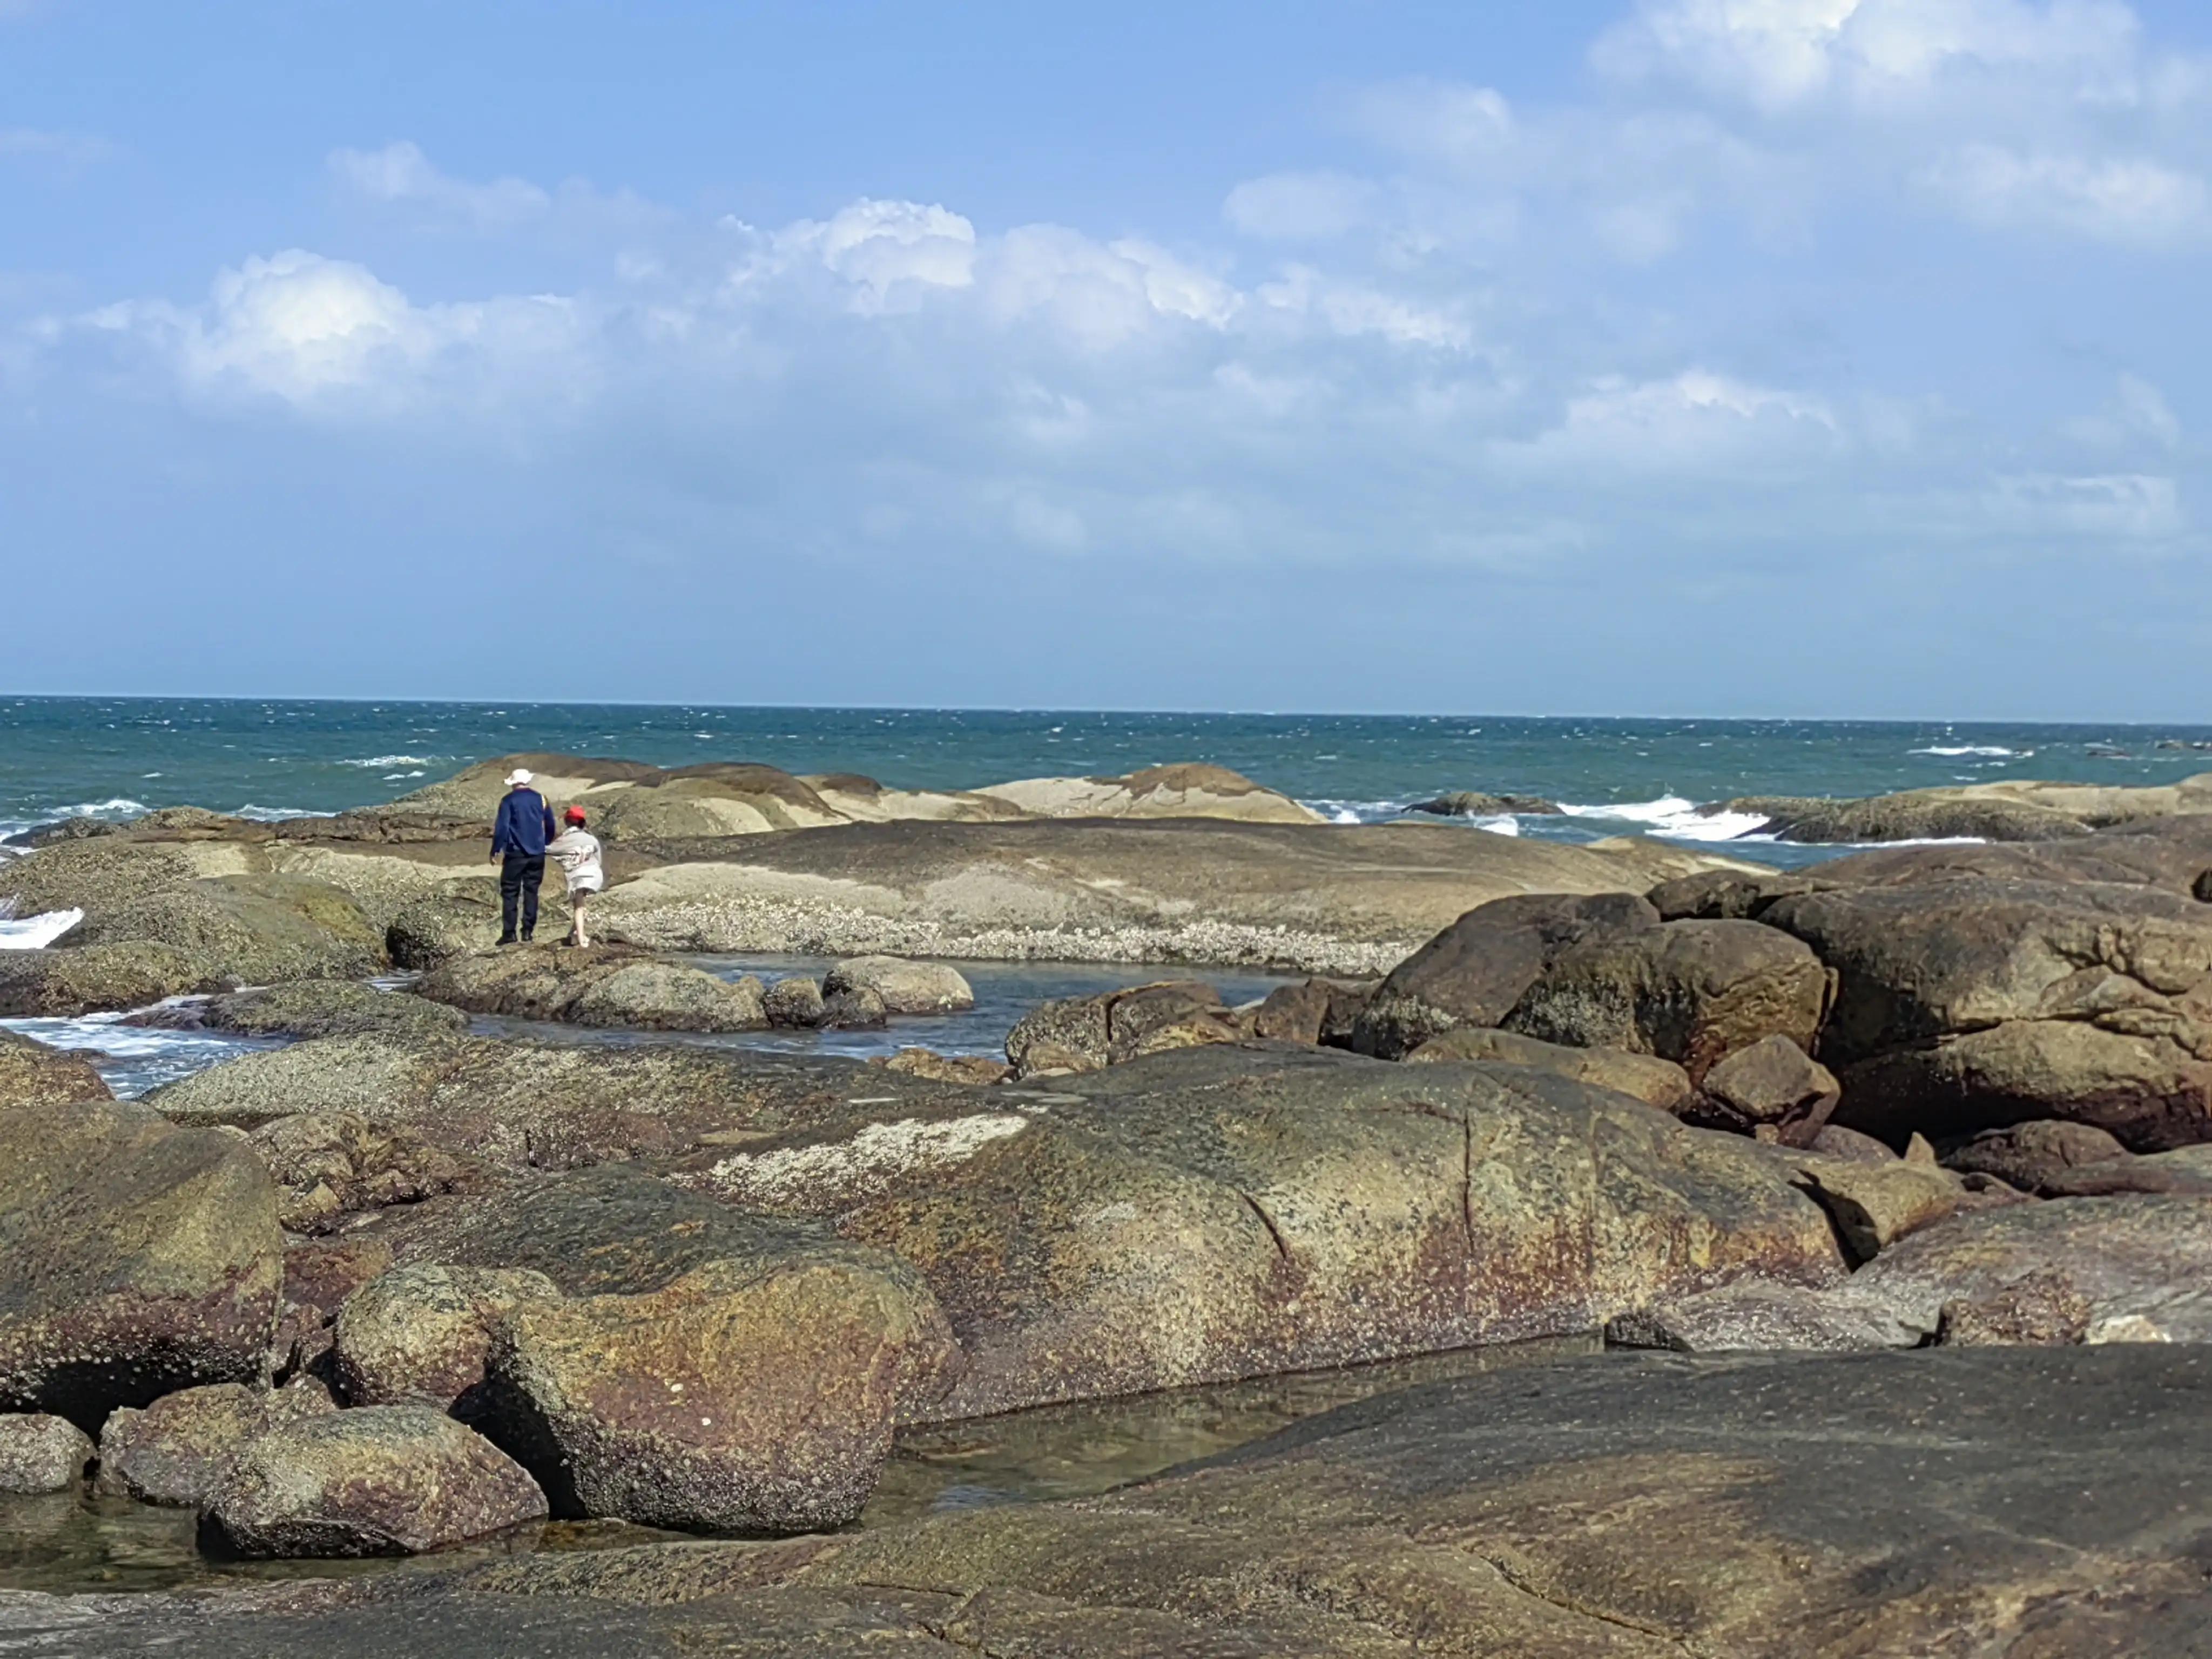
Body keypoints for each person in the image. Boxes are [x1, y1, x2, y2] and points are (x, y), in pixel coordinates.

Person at [489, 767, 557, 945]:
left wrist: (496, 849)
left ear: (513, 783)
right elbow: (550, 823)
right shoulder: (541, 799)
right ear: (527, 781)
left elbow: (502, 828)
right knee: (531, 891)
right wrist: (546, 842)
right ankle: (528, 931)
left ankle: (509, 933)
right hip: (537, 853)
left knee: (510, 892)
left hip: (515, 854)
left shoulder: (508, 801)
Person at [545, 805, 605, 947]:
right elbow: (599, 859)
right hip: (595, 874)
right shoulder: (592, 839)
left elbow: (548, 850)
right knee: (581, 903)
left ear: (567, 822)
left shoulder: (565, 840)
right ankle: (574, 932)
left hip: (578, 875)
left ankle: (581, 938)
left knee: (579, 907)